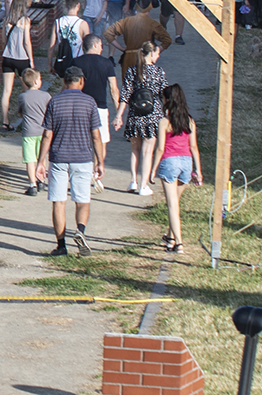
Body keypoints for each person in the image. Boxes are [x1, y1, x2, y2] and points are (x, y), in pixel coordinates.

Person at [34, 65, 103, 256]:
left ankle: (61, 245)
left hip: (59, 158)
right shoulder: (90, 102)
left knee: (59, 201)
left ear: (64, 81)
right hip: (82, 158)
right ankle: (80, 231)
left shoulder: (55, 102)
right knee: (82, 200)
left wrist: (41, 162)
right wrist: (100, 161)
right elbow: (96, 136)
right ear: (81, 81)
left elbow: (47, 135)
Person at [157, 84, 203, 254]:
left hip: (170, 163)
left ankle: (179, 243)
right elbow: (194, 147)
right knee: (175, 204)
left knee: (171, 205)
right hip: (186, 163)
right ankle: (170, 238)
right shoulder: (190, 121)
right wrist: (198, 170)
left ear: (167, 101)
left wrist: (153, 169)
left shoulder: (165, 122)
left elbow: (160, 148)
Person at [118, 41, 168, 195]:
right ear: (151, 53)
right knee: (148, 152)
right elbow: (164, 94)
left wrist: (119, 115)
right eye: (157, 53)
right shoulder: (159, 72)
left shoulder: (132, 71)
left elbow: (125, 95)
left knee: (135, 149)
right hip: (153, 116)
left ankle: (133, 181)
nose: (158, 56)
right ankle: (144, 185)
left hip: (135, 115)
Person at [73, 33, 122, 185]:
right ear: (95, 45)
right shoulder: (106, 63)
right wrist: (118, 113)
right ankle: (95, 172)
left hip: (79, 107)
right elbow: (114, 89)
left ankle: (79, 175)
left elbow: (69, 85)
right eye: (101, 45)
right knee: (100, 142)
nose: (102, 48)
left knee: (80, 142)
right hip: (99, 108)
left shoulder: (76, 62)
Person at [0, 0, 33, 126]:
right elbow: (27, 42)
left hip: (8, 57)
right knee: (26, 91)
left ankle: (5, 121)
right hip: (22, 58)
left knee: (6, 91)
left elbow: (3, 41)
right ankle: (26, 119)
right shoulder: (25, 21)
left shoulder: (6, 20)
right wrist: (31, 60)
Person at [16, 69, 50, 196]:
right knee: (41, 157)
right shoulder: (46, 96)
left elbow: (20, 112)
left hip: (28, 131)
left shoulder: (22, 97)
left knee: (29, 159)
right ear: (36, 82)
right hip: (43, 131)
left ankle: (32, 185)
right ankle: (41, 179)